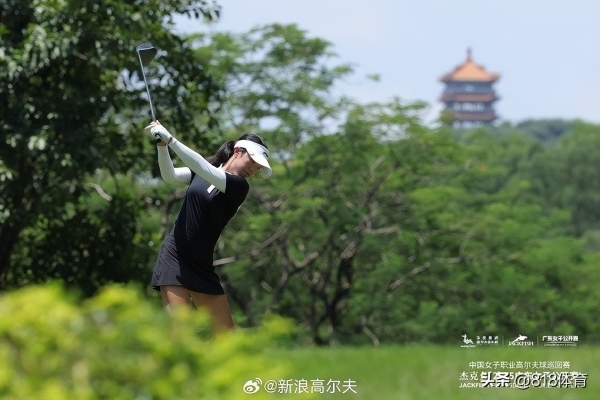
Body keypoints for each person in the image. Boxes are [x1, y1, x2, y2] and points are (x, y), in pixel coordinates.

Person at [146, 120, 272, 333]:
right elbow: (170, 176)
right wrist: (162, 145)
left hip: (201, 265)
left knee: (226, 336)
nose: (253, 169)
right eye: (253, 161)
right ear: (238, 151)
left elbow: (201, 167)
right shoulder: (205, 170)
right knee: (181, 332)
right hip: (174, 256)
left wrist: (171, 139)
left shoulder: (239, 186)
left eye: (258, 167)